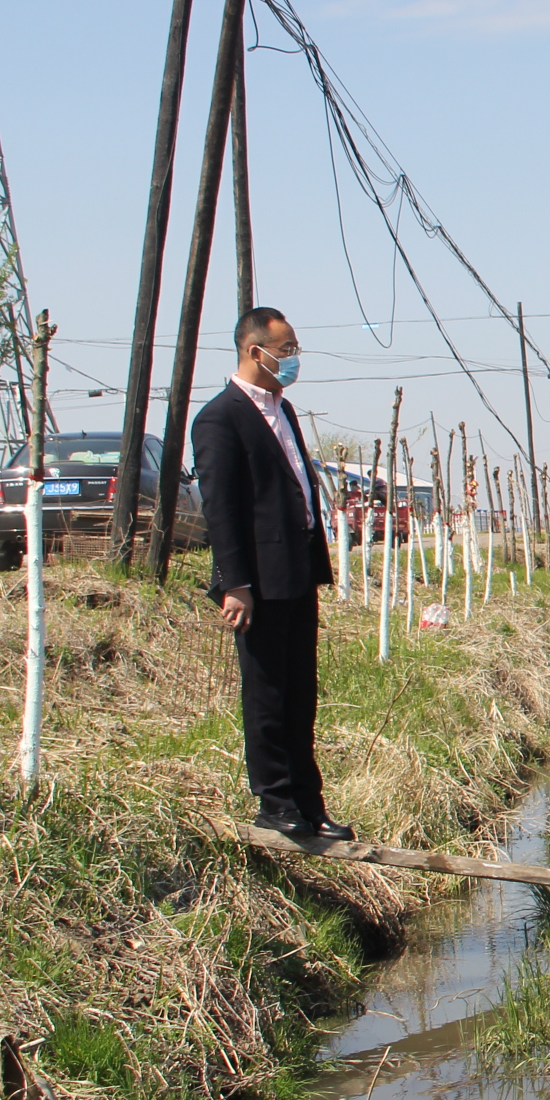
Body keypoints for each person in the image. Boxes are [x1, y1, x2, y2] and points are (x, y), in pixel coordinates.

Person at [192, 307, 347, 843]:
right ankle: (276, 803)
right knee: (267, 693)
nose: (293, 358)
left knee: (302, 692)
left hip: (298, 570)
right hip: (257, 580)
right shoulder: (220, 417)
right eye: (286, 349)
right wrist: (235, 583)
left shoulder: (283, 410)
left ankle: (310, 802)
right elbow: (222, 508)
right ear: (255, 352)